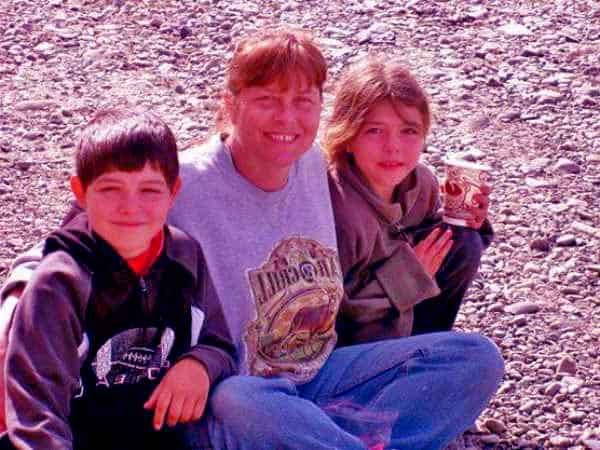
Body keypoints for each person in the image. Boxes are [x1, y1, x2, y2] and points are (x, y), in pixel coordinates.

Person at [1, 30, 503, 450]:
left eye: (302, 102)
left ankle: (320, 437)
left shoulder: (314, 165)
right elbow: (78, 231)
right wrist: (16, 301)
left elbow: (387, 178)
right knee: (246, 406)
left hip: (323, 372)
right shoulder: (186, 181)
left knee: (475, 359)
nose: (286, 120)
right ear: (230, 105)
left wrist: (465, 217)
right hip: (229, 389)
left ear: (321, 111)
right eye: (267, 101)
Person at [1, 109, 236, 450]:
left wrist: (199, 363)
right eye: (110, 188)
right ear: (80, 192)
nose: (130, 207)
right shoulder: (61, 282)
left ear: (174, 192)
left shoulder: (185, 256)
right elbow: (35, 415)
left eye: (150, 191)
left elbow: (221, 344)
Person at [324, 57, 494, 345]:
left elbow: (442, 248)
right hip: (351, 347)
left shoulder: (420, 183)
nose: (393, 147)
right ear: (348, 137)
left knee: (461, 239)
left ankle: (428, 347)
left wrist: (470, 220)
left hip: (401, 317)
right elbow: (333, 317)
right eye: (375, 131)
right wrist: (407, 276)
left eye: (409, 131)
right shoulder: (339, 210)